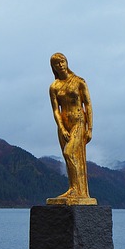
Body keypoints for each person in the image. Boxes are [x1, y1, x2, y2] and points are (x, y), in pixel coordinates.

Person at [47, 53, 96, 204]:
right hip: (64, 124)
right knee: (68, 157)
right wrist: (61, 127)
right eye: (56, 64)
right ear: (53, 67)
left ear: (67, 62)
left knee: (70, 153)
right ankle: (74, 188)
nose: (60, 65)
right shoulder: (54, 87)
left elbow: (87, 105)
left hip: (78, 121)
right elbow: (55, 109)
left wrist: (90, 128)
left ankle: (76, 189)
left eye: (62, 62)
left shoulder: (79, 82)